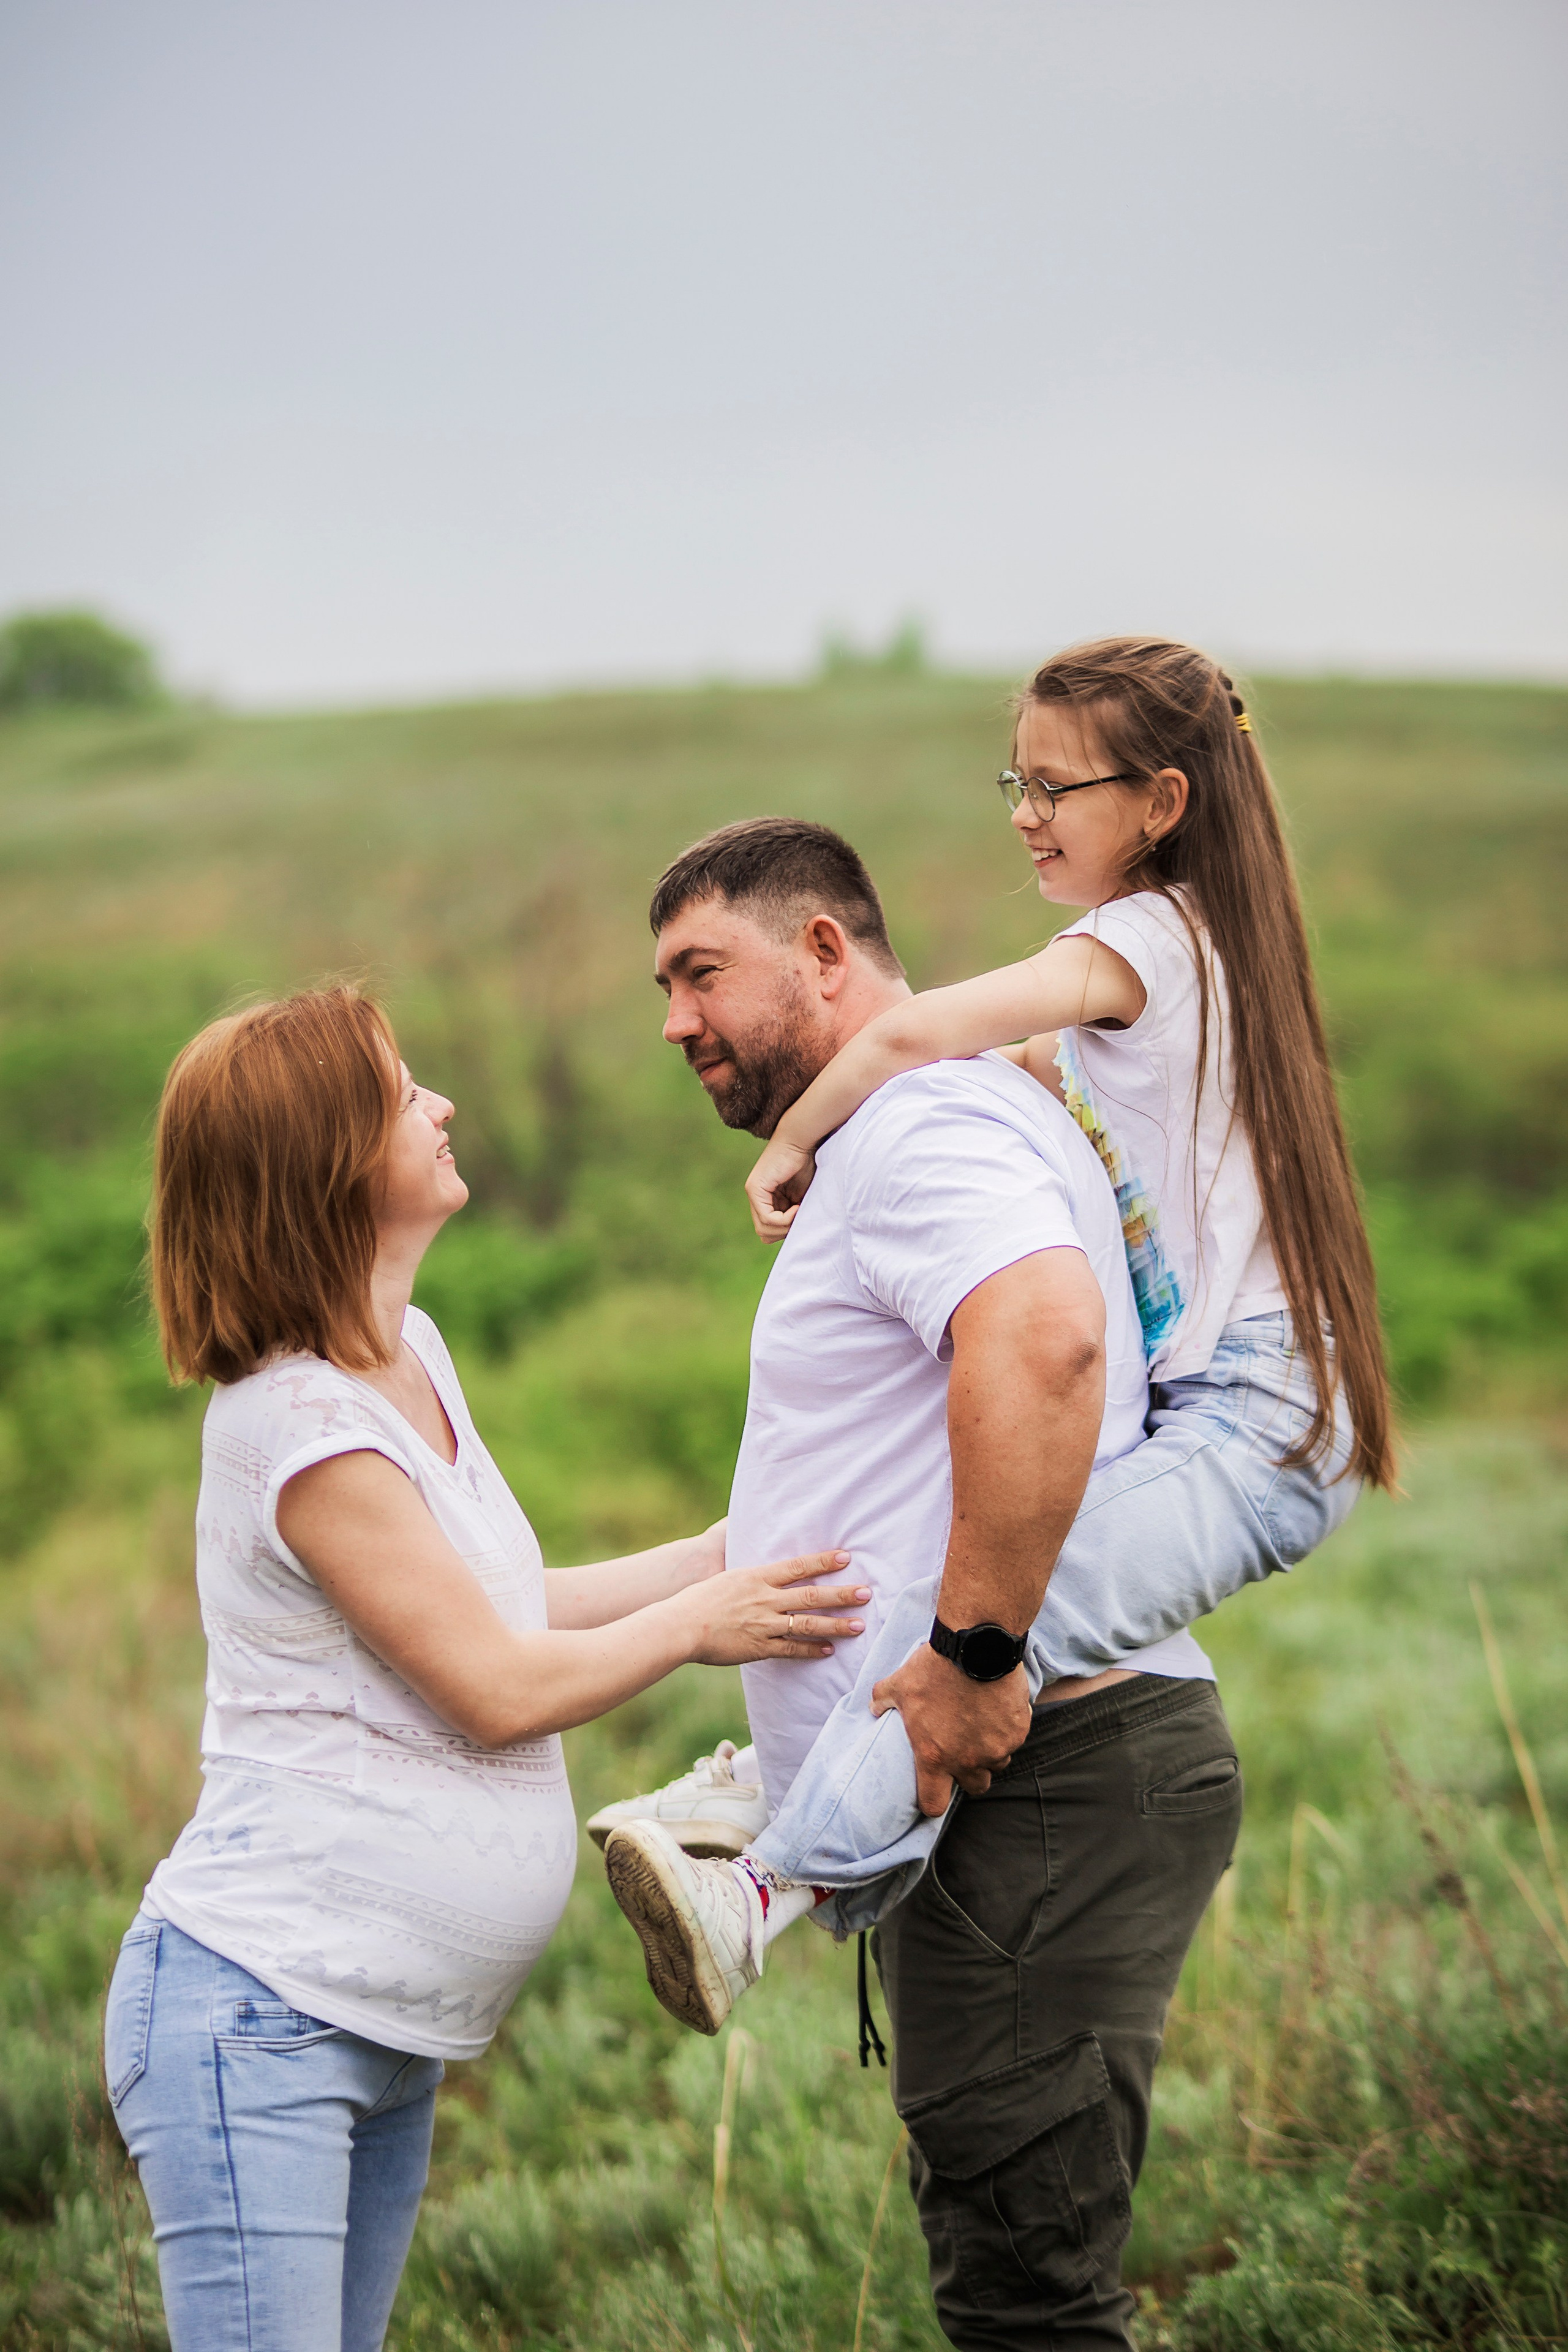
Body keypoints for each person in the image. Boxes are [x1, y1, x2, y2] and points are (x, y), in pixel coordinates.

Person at [601, 641, 1394, 2018]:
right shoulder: (1162, 970)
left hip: (1257, 1421)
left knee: (986, 1628)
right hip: (1239, 1411)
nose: (1024, 814)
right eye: (1012, 783)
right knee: (976, 1600)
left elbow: (913, 1036)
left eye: (1052, 787)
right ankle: (799, 1777)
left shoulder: (1146, 940)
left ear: (1159, 801)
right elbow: (1004, 1062)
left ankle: (767, 1884)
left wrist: (792, 1142)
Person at [103, 985, 865, 2352]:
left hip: (376, 2028)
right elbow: (494, 1689)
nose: (443, 1104)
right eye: (405, 1095)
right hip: (263, 2018)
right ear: (329, 1161)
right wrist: (700, 1623)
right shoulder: (298, 1425)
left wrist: (710, 1556)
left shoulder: (412, 1356)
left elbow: (499, 1611)